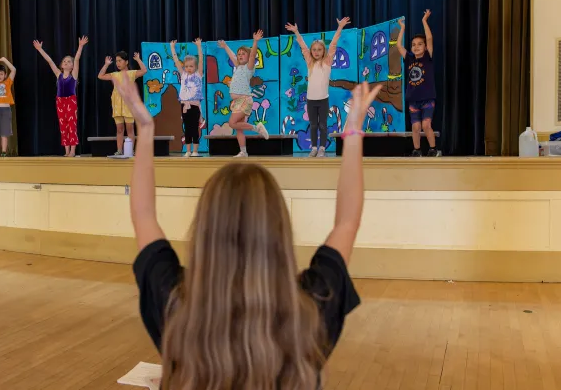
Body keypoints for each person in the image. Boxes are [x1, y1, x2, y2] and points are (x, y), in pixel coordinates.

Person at [112, 70, 381, 389]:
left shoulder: (177, 307)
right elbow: (348, 220)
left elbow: (143, 214)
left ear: (205, 229)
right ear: (277, 230)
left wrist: (145, 128)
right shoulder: (310, 308)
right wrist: (353, 131)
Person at [286, 17, 351, 158]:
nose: (316, 52)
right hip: (311, 100)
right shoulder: (310, 62)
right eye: (314, 50)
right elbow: (303, 47)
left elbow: (333, 45)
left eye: (319, 50)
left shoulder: (327, 62)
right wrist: (296, 32)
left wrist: (340, 27)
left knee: (322, 125)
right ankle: (314, 148)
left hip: (323, 100)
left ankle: (322, 148)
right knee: (313, 125)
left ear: (323, 51)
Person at [32, 36, 89, 157]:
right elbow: (50, 61)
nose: (66, 62)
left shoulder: (73, 75)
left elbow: (77, 59)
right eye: (64, 61)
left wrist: (80, 46)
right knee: (63, 126)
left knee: (72, 125)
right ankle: (66, 150)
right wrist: (40, 49)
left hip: (70, 100)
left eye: (69, 61)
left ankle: (73, 150)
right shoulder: (58, 74)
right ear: (62, 65)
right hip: (60, 101)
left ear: (72, 66)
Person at [218, 30, 269, 157]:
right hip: (237, 102)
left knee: (232, 123)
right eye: (239, 54)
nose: (240, 56)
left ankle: (257, 128)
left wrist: (255, 41)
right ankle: (243, 151)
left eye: (243, 54)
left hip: (244, 99)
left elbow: (252, 56)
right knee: (238, 128)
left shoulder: (248, 68)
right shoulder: (238, 66)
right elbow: (232, 56)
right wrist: (225, 47)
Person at [397, 10, 440, 157]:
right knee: (415, 126)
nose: (416, 47)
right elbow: (398, 46)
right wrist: (402, 28)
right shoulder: (409, 58)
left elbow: (429, 38)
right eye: (413, 44)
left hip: (427, 99)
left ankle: (433, 148)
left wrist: (424, 21)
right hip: (413, 100)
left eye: (419, 44)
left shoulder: (427, 57)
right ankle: (417, 150)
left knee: (426, 125)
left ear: (425, 47)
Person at [98, 50, 147, 155]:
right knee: (119, 129)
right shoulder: (114, 74)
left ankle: (131, 151)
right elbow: (100, 76)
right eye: (116, 61)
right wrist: (106, 64)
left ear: (126, 62)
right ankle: (119, 150)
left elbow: (144, 70)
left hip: (128, 105)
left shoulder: (132, 73)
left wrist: (138, 59)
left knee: (130, 129)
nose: (118, 63)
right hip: (117, 105)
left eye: (120, 61)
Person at [170, 39, 204, 158]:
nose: (188, 68)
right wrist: (172, 48)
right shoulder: (183, 74)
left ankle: (195, 151)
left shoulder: (198, 74)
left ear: (195, 67)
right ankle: (188, 150)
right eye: (187, 66)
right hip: (184, 105)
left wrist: (199, 46)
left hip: (194, 105)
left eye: (191, 66)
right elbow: (176, 61)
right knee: (187, 128)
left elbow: (201, 61)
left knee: (194, 128)